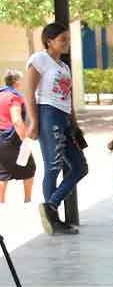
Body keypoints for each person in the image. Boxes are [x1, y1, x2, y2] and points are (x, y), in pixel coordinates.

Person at [25, 23, 86, 235]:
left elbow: (68, 97)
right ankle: (54, 220)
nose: (67, 43)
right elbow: (29, 92)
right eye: (62, 39)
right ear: (49, 41)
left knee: (80, 167)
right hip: (48, 114)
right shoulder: (40, 59)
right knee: (53, 165)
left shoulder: (64, 66)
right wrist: (34, 121)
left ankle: (51, 205)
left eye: (68, 39)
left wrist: (75, 124)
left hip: (64, 118)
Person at [0, 70, 36, 204]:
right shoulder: (14, 97)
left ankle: (1, 204)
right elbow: (16, 120)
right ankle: (27, 201)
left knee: (2, 172)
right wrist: (24, 140)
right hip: (11, 138)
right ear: (16, 82)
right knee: (29, 167)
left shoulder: (0, 94)